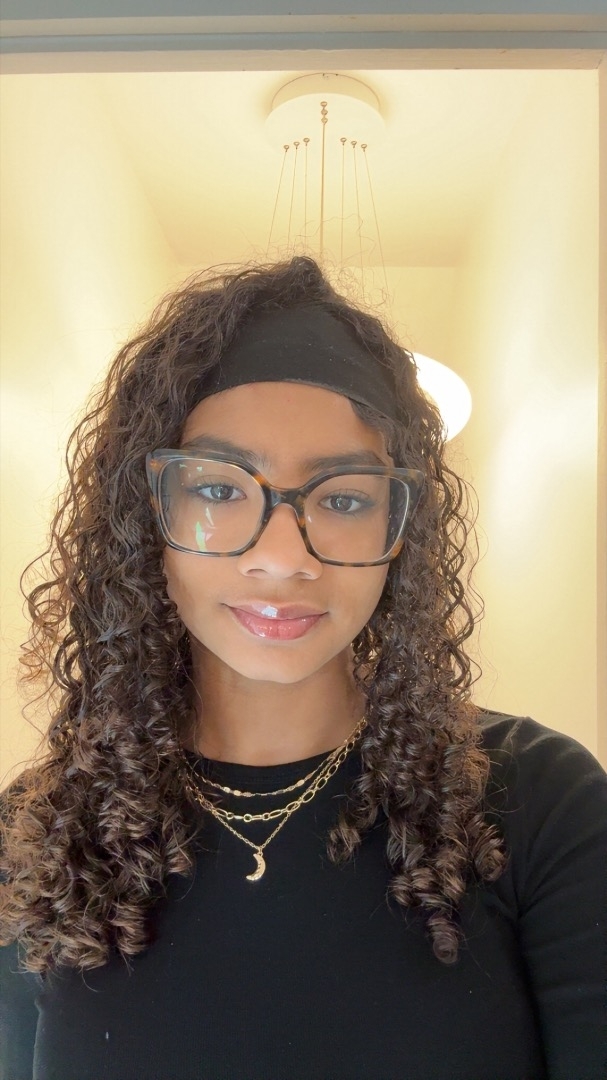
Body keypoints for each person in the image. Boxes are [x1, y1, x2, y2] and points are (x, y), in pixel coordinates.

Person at [0, 256, 605, 1080]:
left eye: (344, 498)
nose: (283, 557)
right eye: (218, 490)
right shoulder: (40, 835)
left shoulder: (539, 801)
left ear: (401, 531)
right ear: (145, 516)